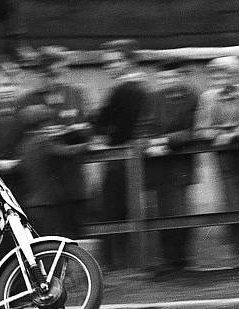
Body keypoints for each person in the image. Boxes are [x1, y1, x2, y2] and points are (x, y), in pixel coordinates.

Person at [196, 56, 239, 268]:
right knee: (231, 201)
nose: (219, 78)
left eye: (225, 74)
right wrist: (219, 134)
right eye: (215, 75)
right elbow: (201, 129)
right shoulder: (208, 97)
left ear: (236, 76)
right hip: (223, 156)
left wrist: (233, 134)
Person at [17, 46, 91, 237]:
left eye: (60, 73)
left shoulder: (75, 94)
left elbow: (86, 127)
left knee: (76, 235)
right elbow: (25, 136)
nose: (56, 79)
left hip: (72, 180)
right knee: (49, 237)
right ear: (42, 73)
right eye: (51, 74)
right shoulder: (28, 100)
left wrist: (77, 131)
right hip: (46, 184)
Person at [93, 38, 152, 270]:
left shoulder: (125, 89)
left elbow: (101, 122)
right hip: (128, 157)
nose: (109, 66)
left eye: (114, 61)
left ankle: (116, 266)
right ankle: (128, 264)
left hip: (121, 158)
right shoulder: (138, 88)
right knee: (126, 209)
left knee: (112, 210)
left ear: (128, 62)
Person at [143, 58, 198, 276]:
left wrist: (167, 142)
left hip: (179, 164)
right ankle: (167, 261)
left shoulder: (191, 97)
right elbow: (143, 128)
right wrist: (149, 144)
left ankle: (183, 260)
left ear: (180, 76)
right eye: (163, 77)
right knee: (161, 212)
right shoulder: (152, 98)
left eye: (171, 76)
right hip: (157, 165)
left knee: (180, 211)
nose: (167, 80)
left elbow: (193, 129)